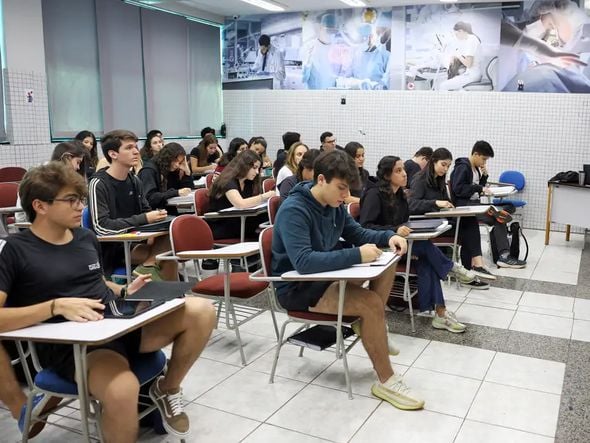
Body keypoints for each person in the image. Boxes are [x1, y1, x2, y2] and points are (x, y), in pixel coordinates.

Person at [0, 161, 216, 440]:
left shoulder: (85, 237)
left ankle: (166, 388)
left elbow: (95, 281)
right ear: (40, 206)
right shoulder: (17, 250)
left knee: (202, 310)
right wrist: (55, 306)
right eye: (71, 200)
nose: (81, 206)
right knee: (122, 388)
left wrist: (125, 290)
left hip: (117, 320)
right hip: (81, 345)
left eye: (80, 199)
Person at [272, 150, 424, 410]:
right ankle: (386, 380)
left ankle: (374, 326)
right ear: (321, 180)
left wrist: (388, 237)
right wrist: (356, 254)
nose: (345, 196)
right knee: (371, 305)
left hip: (326, 277)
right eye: (341, 188)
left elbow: (356, 232)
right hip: (299, 287)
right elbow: (305, 263)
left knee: (388, 262)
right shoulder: (293, 209)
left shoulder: (334, 205)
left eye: (347, 190)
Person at [360, 156, 477, 332]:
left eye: (403, 169)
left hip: (401, 244)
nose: (405, 174)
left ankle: (440, 313)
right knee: (425, 247)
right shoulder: (373, 195)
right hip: (381, 247)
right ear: (386, 175)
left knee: (428, 262)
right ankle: (452, 268)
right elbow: (365, 227)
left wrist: (402, 229)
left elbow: (404, 222)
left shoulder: (400, 194)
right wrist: (394, 230)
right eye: (398, 171)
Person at [88, 130, 176, 280]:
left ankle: (153, 288)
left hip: (138, 241)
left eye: (136, 147)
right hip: (115, 248)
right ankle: (165, 297)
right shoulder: (98, 183)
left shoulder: (134, 180)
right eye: (129, 148)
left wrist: (157, 218)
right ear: (113, 154)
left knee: (173, 233)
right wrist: (144, 219)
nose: (136, 151)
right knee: (166, 257)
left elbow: (146, 211)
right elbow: (101, 227)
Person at [408, 148, 493, 287]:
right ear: (433, 162)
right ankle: (472, 269)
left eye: (448, 166)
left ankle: (471, 269)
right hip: (426, 223)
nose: (445, 169)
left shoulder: (439, 180)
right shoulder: (420, 179)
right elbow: (412, 205)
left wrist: (449, 206)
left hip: (439, 220)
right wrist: (435, 203)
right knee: (467, 228)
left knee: (469, 222)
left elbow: (445, 202)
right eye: (443, 164)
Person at [449, 140, 526, 269]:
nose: (484, 163)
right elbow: (459, 189)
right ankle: (504, 256)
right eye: (483, 159)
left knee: (502, 214)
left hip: (474, 204)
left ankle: (504, 255)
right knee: (499, 216)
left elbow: (477, 187)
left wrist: (484, 176)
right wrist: (479, 188)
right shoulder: (463, 167)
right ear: (476, 154)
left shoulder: (475, 169)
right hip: (466, 207)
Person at [15, 141, 88, 224]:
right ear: (67, 157)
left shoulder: (63, 178)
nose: (78, 167)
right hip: (29, 222)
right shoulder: (44, 177)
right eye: (77, 162)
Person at [207, 150, 274, 240]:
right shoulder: (228, 181)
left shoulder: (248, 182)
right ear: (244, 166)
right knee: (266, 222)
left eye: (258, 168)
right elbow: (240, 204)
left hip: (239, 220)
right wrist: (265, 196)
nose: (257, 172)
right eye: (254, 168)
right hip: (221, 224)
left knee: (269, 217)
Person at [138, 142, 193, 211]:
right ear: (167, 158)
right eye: (175, 161)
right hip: (152, 213)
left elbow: (187, 191)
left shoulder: (169, 169)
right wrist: (176, 192)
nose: (177, 165)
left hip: (167, 210)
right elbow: (150, 198)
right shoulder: (148, 170)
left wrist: (187, 173)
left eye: (179, 162)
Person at [302, 13, 347, 89]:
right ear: (320, 28)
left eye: (333, 32)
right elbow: (304, 78)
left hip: (331, 96)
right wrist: (308, 61)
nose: (330, 34)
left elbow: (339, 77)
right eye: (328, 30)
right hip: (314, 96)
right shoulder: (310, 47)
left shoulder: (336, 50)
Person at [438, 22, 482, 91]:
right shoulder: (472, 39)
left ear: (461, 31)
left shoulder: (471, 40)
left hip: (472, 75)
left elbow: (468, 64)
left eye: (456, 34)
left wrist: (457, 54)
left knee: (443, 86)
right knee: (458, 89)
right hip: (472, 74)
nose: (456, 37)